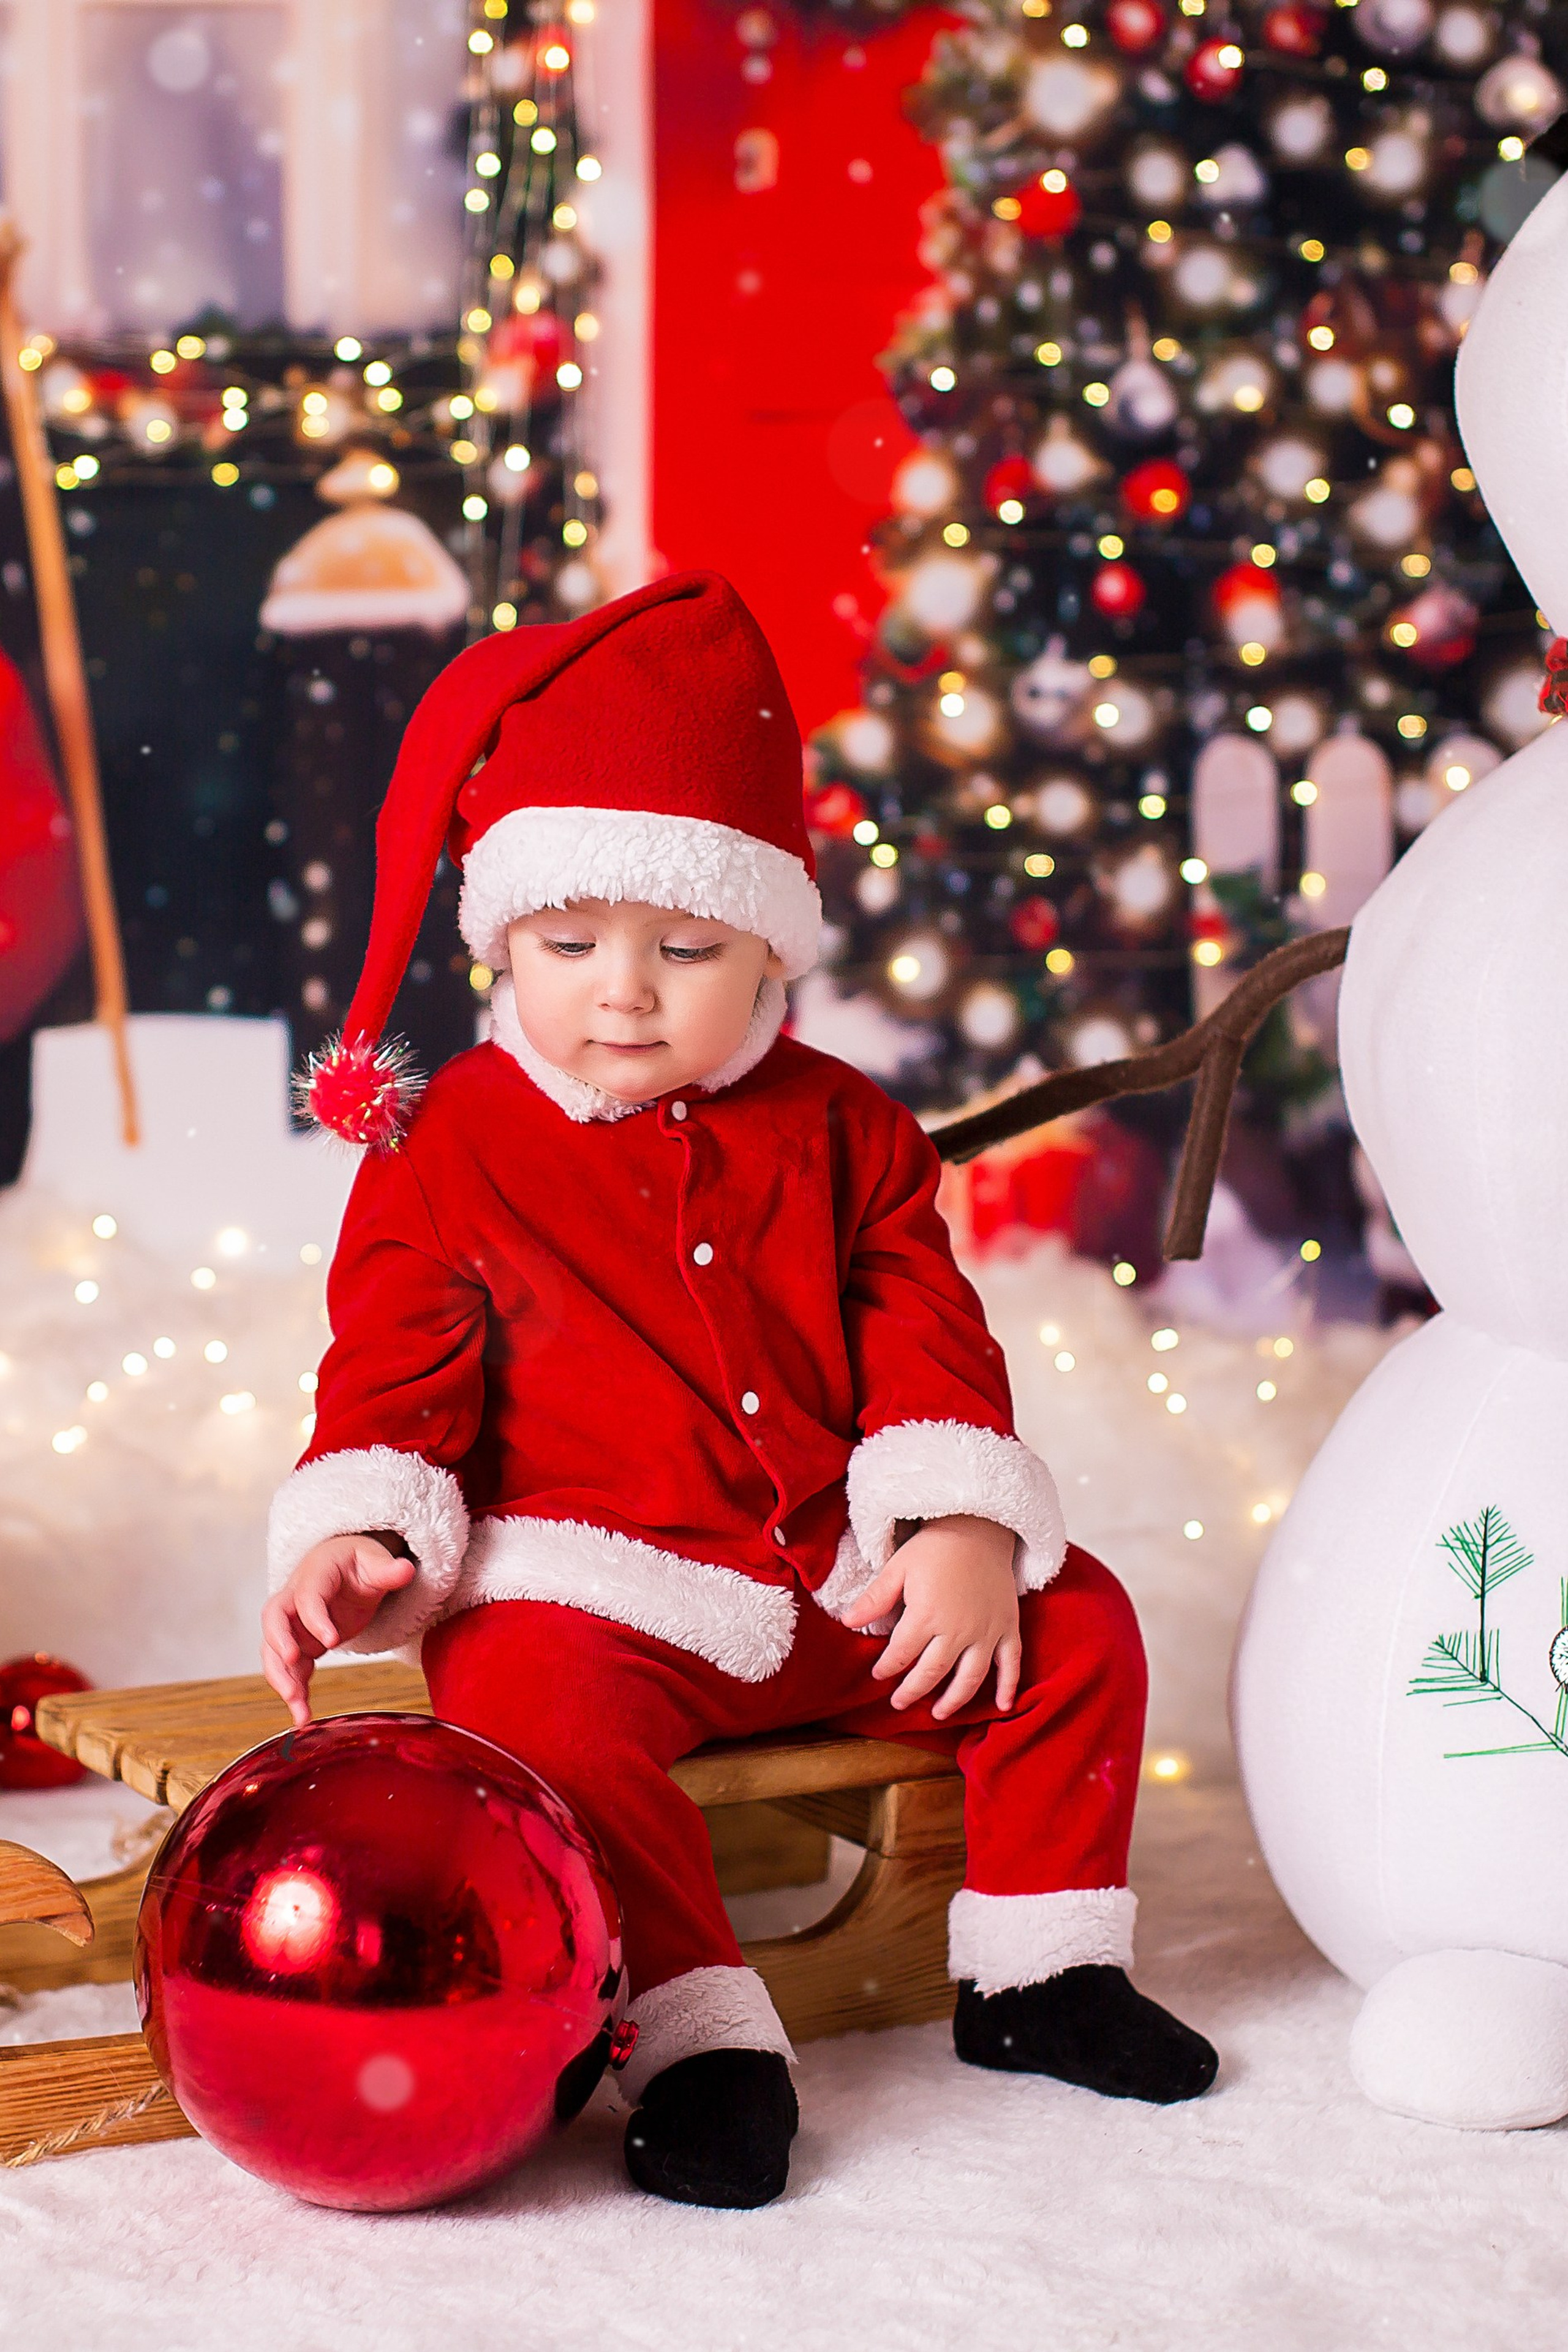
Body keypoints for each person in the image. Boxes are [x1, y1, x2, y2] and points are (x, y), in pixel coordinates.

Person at [260, 570, 1217, 2212]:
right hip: (600, 1589)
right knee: (530, 1709)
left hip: (840, 1573)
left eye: (683, 946)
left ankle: (1041, 1973)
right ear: (507, 938)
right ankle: (703, 2037)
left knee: (1079, 1625)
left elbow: (926, 1320)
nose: (622, 991)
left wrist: (957, 1520)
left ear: (768, 940)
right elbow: (393, 1367)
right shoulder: (455, 1146)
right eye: (569, 942)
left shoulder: (847, 1127)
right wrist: (367, 1530)